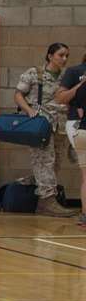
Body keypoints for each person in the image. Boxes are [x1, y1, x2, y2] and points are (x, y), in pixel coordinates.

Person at [15, 42, 77, 218]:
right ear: (50, 56)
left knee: (55, 163)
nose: (64, 59)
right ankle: (47, 202)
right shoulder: (35, 73)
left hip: (61, 124)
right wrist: (28, 110)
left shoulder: (68, 76)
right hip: (41, 123)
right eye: (61, 55)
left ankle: (34, 187)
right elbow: (18, 94)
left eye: (67, 56)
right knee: (44, 161)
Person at [62, 51, 86, 226]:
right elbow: (61, 98)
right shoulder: (74, 71)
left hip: (81, 130)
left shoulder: (82, 85)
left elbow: (79, 109)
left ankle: (85, 215)